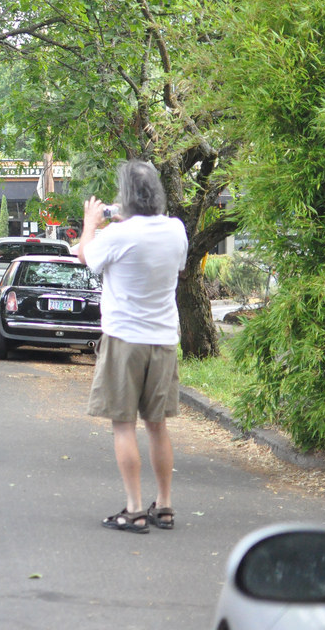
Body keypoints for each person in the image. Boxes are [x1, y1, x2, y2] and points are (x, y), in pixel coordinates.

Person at [76, 160, 188, 534]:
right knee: (157, 426)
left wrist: (92, 222)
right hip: (164, 341)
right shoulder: (176, 230)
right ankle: (166, 506)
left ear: (123, 198)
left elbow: (85, 256)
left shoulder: (116, 235)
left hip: (124, 340)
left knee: (123, 425)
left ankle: (135, 508)